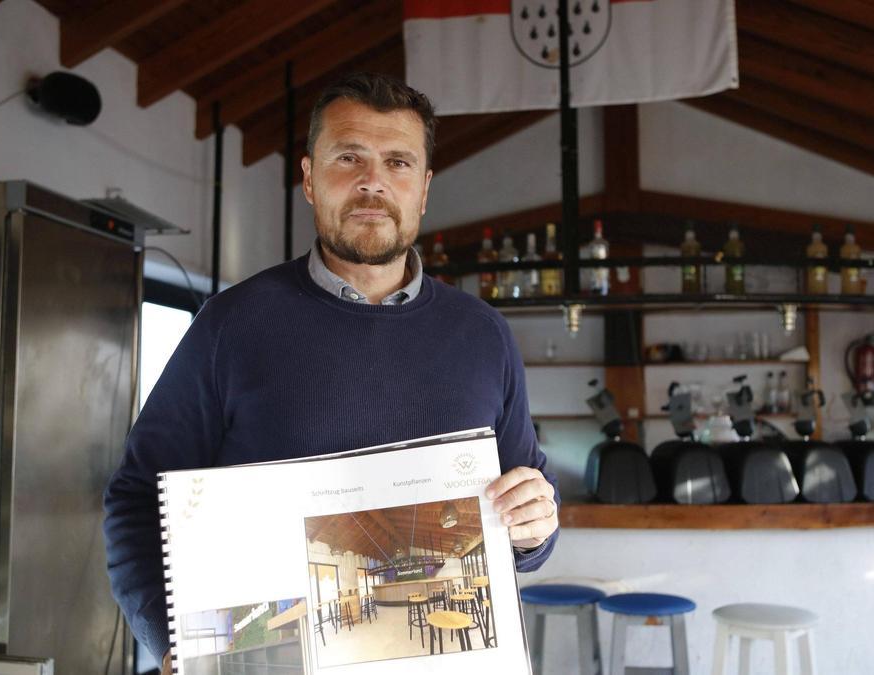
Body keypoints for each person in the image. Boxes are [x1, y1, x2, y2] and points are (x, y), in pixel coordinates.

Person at [103, 72, 560, 669]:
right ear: (310, 179)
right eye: (349, 157)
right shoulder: (231, 325)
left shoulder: (483, 335)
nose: (374, 181)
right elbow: (139, 497)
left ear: (422, 190)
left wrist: (535, 525)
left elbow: (526, 511)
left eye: (398, 162)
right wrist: (173, 643)